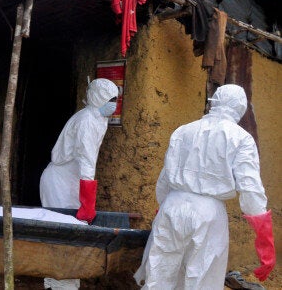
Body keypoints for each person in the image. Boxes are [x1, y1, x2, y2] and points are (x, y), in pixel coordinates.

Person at [134, 84, 275, 289]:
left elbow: (165, 177)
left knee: (160, 274)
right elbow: (250, 187)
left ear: (214, 102)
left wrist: (162, 207)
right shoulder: (241, 138)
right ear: (240, 108)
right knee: (202, 278)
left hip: (172, 206)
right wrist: (264, 239)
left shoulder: (183, 131)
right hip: (208, 213)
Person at [39, 78, 118, 290]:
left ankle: (64, 284)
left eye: (115, 99)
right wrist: (88, 201)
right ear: (98, 98)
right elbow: (86, 160)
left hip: (71, 181)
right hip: (59, 182)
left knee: (71, 236)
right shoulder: (87, 121)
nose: (114, 104)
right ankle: (57, 286)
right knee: (63, 236)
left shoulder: (97, 118)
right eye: (110, 99)